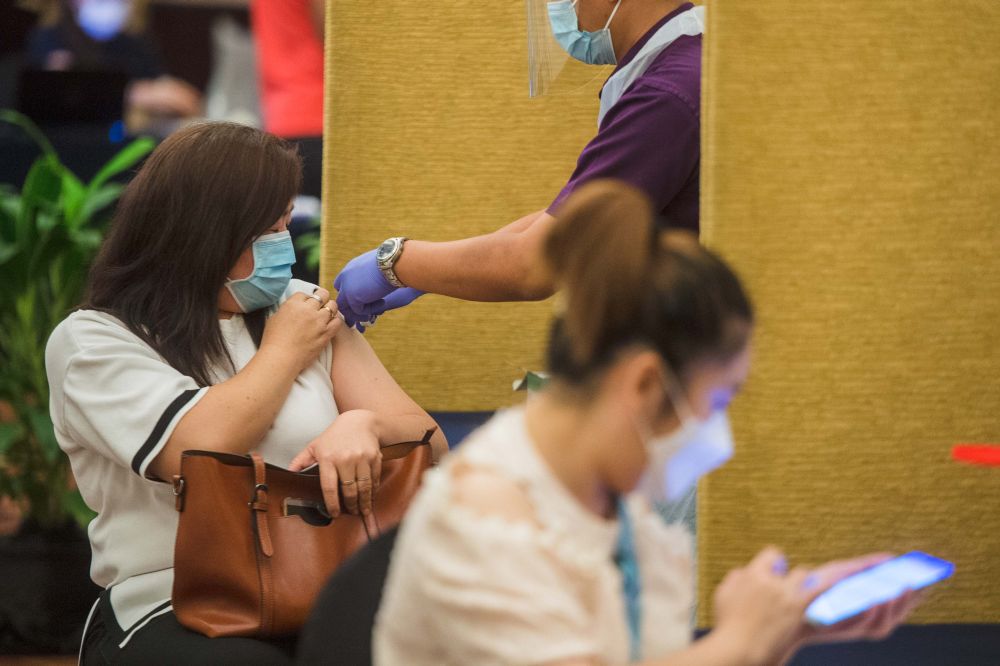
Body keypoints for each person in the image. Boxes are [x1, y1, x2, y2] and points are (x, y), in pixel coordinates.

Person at [372, 181, 919, 665]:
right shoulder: (481, 520)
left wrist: (782, 631)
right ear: (645, 386)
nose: (719, 436)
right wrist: (741, 640)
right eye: (721, 399)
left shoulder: (620, 504)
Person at [44, 122, 447, 663]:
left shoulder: (300, 306)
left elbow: (430, 443)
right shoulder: (94, 340)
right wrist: (283, 351)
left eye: (286, 223)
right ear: (204, 233)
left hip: (324, 582)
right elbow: (199, 451)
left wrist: (364, 425)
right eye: (267, 230)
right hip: (174, 599)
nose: (284, 245)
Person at [334, 0, 705, 329]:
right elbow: (571, 218)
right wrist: (424, 273)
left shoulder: (664, 97)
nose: (562, 8)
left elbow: (534, 266)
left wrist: (395, 261)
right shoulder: (690, 61)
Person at [24, 0, 202, 122]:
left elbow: (180, 99)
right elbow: (59, 98)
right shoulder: (49, 37)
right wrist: (133, 94)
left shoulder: (134, 39)